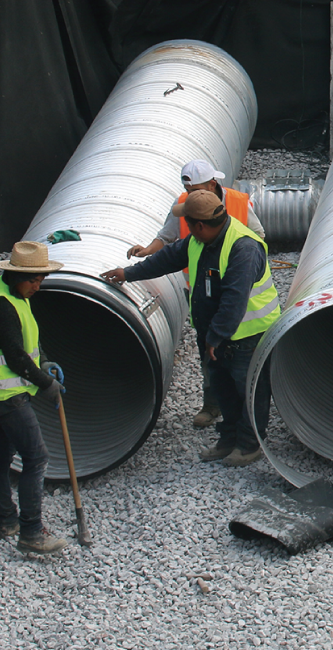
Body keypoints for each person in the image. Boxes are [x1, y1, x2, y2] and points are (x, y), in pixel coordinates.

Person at [102, 189, 281, 467]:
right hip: (217, 335)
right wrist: (128, 273)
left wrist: (215, 337)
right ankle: (229, 439)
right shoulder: (198, 241)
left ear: (199, 225)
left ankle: (249, 444)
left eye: (186, 222)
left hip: (248, 335)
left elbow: (234, 301)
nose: (184, 227)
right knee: (223, 389)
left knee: (249, 390)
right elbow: (166, 258)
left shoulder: (243, 248)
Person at [126, 159, 267, 430]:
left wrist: (242, 266)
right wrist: (134, 266)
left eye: (195, 190)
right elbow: (168, 247)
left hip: (244, 315)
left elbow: (256, 242)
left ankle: (249, 436)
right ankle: (217, 412)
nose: (189, 195)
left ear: (212, 185)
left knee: (242, 377)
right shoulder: (189, 216)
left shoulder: (239, 217)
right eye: (187, 190)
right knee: (213, 364)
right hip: (206, 298)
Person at [0, 241, 68, 556]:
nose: (37, 286)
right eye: (33, 280)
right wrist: (46, 384)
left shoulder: (8, 292)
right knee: (36, 459)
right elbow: (15, 356)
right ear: (16, 275)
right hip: (6, 399)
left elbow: (26, 343)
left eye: (41, 279)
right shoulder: (3, 305)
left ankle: (8, 522)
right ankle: (31, 533)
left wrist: (45, 362)